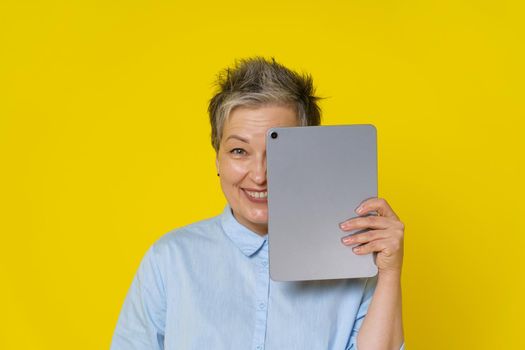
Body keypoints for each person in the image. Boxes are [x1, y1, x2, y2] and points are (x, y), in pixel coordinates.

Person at [111, 57, 405, 350]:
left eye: (278, 151)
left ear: (308, 156)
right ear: (218, 159)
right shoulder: (170, 259)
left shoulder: (353, 259)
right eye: (239, 151)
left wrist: (390, 273)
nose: (260, 175)